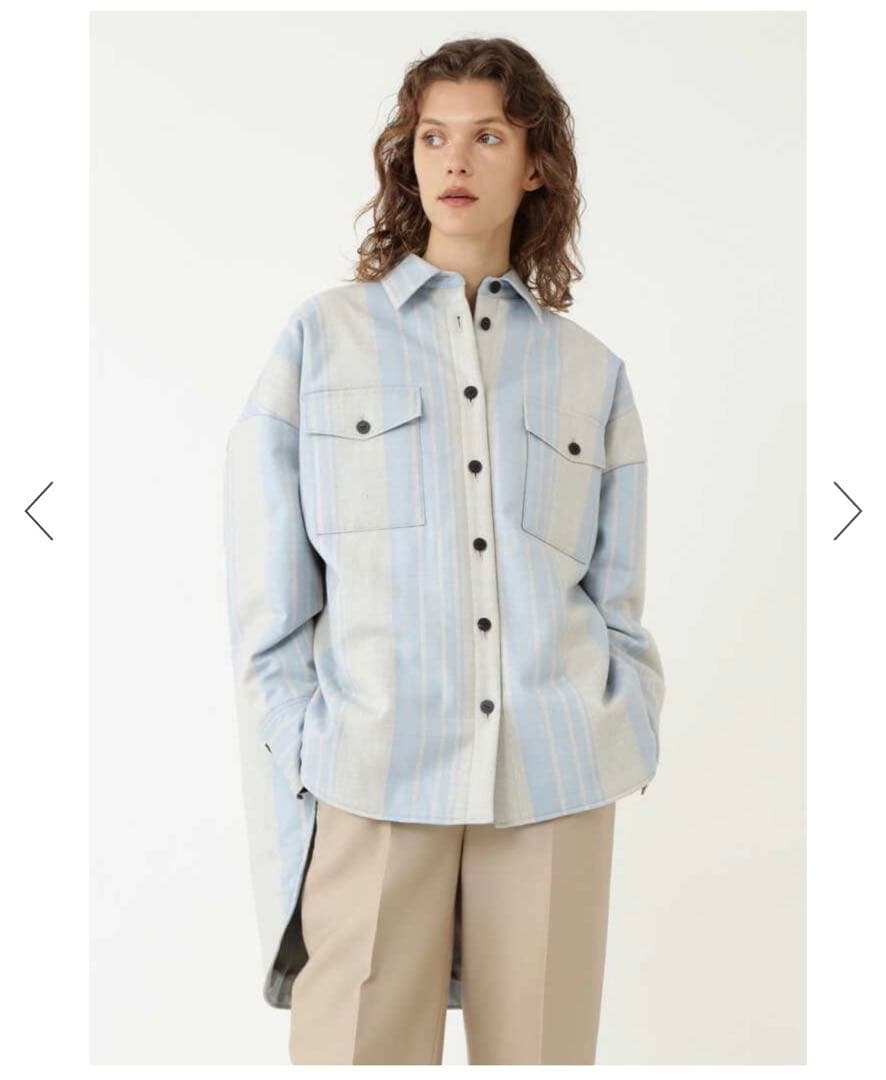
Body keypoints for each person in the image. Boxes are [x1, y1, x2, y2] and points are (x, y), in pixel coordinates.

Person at [223, 36, 665, 1066]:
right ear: (408, 157)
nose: (455, 160)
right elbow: (266, 589)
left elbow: (618, 598)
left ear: (536, 164)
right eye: (433, 137)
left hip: (553, 778)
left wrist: (625, 717)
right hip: (372, 773)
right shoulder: (321, 340)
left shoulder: (590, 374)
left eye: (488, 136)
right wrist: (307, 743)